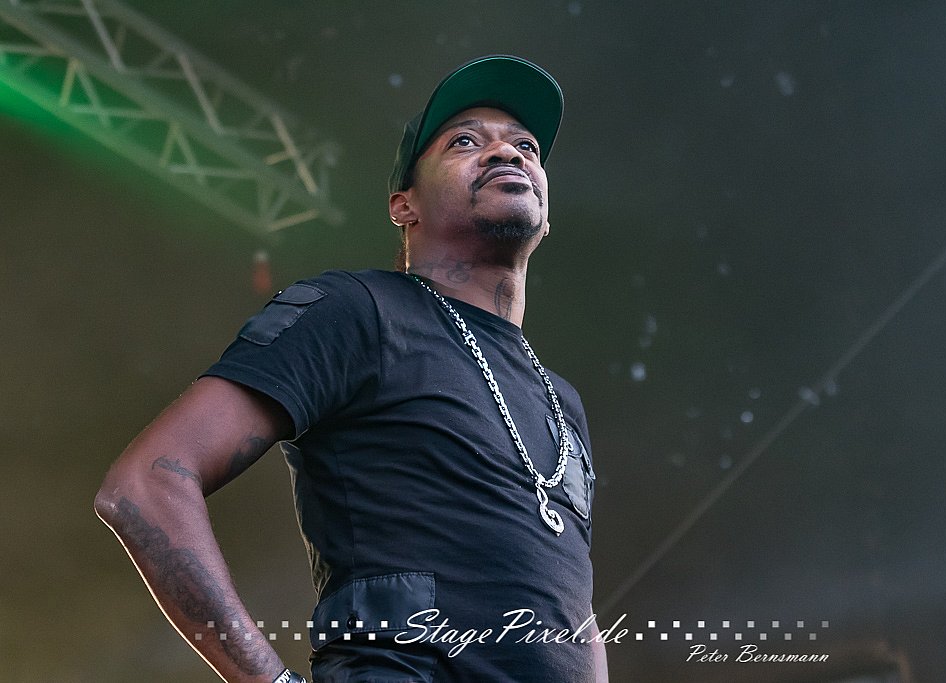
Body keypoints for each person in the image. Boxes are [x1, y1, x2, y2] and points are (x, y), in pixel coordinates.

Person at [95, 55, 607, 683]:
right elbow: (144, 484)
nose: (506, 152)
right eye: (465, 142)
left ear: (546, 216)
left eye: (525, 146)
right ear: (404, 206)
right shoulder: (359, 311)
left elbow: (573, 608)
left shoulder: (561, 401)